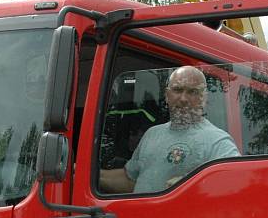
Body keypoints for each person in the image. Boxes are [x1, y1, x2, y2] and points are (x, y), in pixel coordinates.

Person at [99, 65, 240, 193]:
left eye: (192, 92)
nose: (184, 98)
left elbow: (235, 184)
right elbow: (131, 181)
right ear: (167, 95)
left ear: (203, 98)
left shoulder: (217, 140)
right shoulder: (152, 134)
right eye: (178, 90)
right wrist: (86, 175)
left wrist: (193, 185)